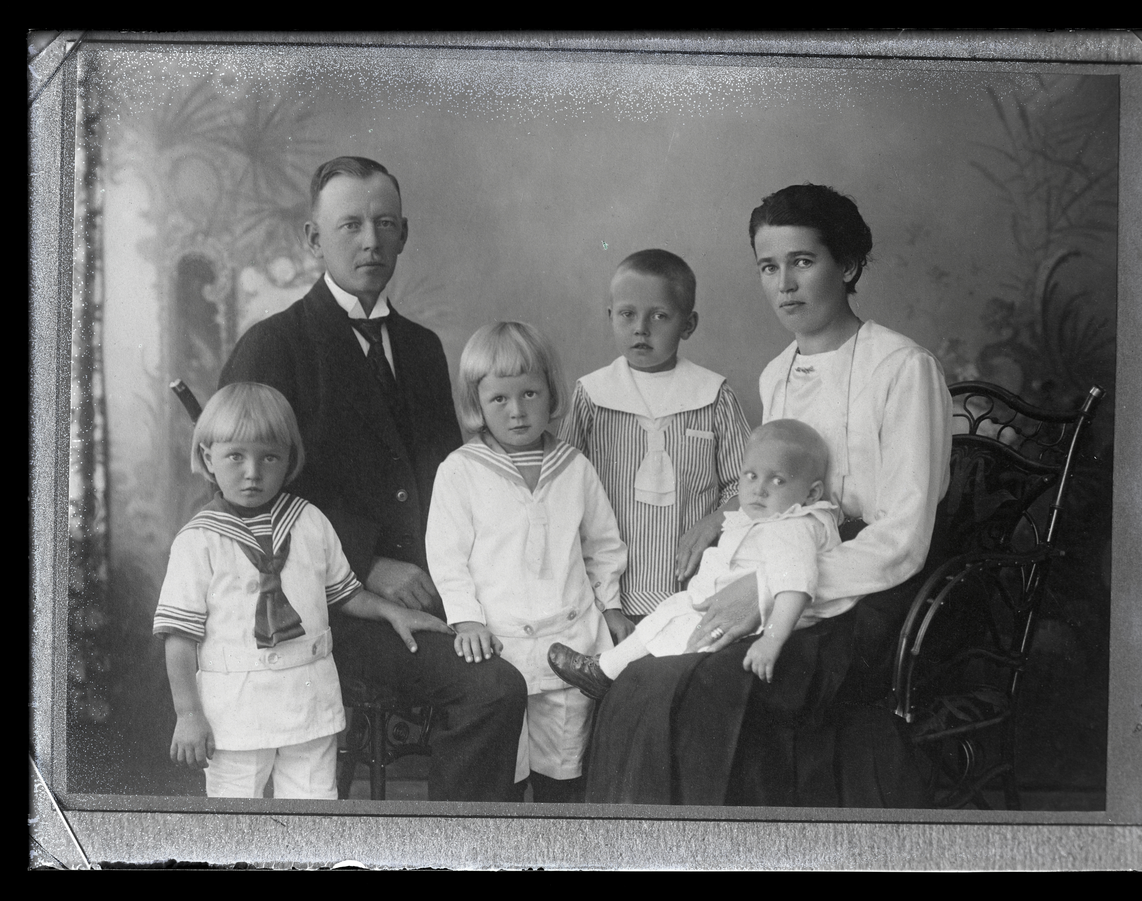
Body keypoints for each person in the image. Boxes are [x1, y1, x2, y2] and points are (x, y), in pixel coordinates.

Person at [585, 184, 952, 807]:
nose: (784, 284)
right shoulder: (776, 372)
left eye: (802, 262)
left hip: (867, 596)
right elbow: (776, 487)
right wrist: (726, 521)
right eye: (768, 266)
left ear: (848, 266)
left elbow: (903, 539)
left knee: (705, 684)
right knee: (649, 675)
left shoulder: (903, 368)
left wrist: (763, 591)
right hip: (782, 572)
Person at [218, 156, 527, 802]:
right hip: (328, 611)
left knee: (540, 642)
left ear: (404, 234)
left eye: (386, 224)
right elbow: (242, 505)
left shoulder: (420, 347)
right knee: (493, 687)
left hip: (436, 587)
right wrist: (367, 563)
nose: (370, 241)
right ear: (313, 238)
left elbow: (451, 483)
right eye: (350, 225)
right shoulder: (274, 345)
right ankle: (454, 846)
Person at [153, 383, 454, 798]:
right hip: (234, 713)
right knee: (235, 816)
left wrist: (392, 611)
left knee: (314, 809)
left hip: (308, 704)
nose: (253, 472)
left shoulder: (309, 521)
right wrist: (188, 714)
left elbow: (346, 594)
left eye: (269, 457)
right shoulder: (198, 540)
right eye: (236, 456)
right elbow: (179, 637)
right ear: (208, 458)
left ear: (290, 459)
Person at [425, 322, 628, 804]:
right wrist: (467, 619)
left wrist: (612, 605)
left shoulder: (574, 467)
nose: (517, 411)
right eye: (499, 399)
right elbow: (447, 557)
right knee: (504, 771)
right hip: (501, 646)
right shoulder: (461, 471)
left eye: (529, 394)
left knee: (564, 771)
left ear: (550, 392)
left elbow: (602, 545)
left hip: (570, 638)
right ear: (476, 404)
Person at [549, 419, 840, 694]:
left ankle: (604, 673)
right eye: (751, 476)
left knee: (673, 637)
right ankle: (604, 670)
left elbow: (794, 586)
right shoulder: (770, 518)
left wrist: (772, 639)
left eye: (777, 481)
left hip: (749, 624)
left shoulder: (792, 527)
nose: (759, 490)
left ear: (812, 493)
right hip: (720, 611)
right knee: (668, 617)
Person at [557, 249, 750, 622]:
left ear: (688, 325)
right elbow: (564, 489)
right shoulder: (591, 395)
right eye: (627, 314)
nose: (641, 328)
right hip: (606, 594)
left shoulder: (714, 395)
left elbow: (745, 486)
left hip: (690, 587)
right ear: (610, 316)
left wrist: (714, 522)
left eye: (659, 316)